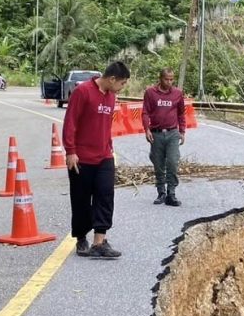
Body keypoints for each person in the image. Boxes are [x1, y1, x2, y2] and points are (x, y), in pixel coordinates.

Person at [63, 62, 130, 259]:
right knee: (81, 199)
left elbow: (106, 125)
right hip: (81, 157)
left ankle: (99, 241)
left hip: (104, 156)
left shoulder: (111, 96)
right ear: (112, 79)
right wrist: (70, 151)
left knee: (105, 195)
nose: (122, 87)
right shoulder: (82, 92)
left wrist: (109, 146)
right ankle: (81, 238)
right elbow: (70, 122)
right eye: (122, 83)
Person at [141, 68, 186, 206]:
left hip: (172, 133)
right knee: (158, 164)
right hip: (156, 133)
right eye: (166, 79)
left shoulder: (177, 93)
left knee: (172, 162)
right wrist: (147, 129)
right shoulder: (150, 93)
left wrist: (182, 131)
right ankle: (161, 192)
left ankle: (171, 193)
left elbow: (181, 113)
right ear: (160, 78)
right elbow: (145, 112)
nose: (169, 82)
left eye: (171, 79)